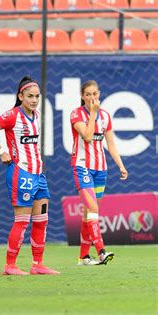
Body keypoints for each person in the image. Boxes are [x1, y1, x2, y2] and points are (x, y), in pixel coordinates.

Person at [0, 76, 60, 276]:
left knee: (42, 219)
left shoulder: (37, 115)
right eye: (30, 96)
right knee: (22, 221)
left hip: (39, 174)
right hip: (21, 173)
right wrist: (1, 151)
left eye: (37, 96)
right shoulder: (12, 115)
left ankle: (37, 264)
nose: (34, 100)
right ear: (20, 96)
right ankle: (10, 266)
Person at [70, 80, 128, 266]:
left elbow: (110, 144)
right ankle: (101, 252)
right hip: (82, 166)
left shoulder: (105, 116)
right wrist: (93, 113)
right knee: (93, 209)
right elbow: (87, 137)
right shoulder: (76, 114)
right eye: (88, 94)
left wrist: (120, 165)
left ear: (99, 94)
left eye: (95, 94)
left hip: (100, 169)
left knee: (90, 214)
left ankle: (83, 258)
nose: (92, 98)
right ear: (82, 96)